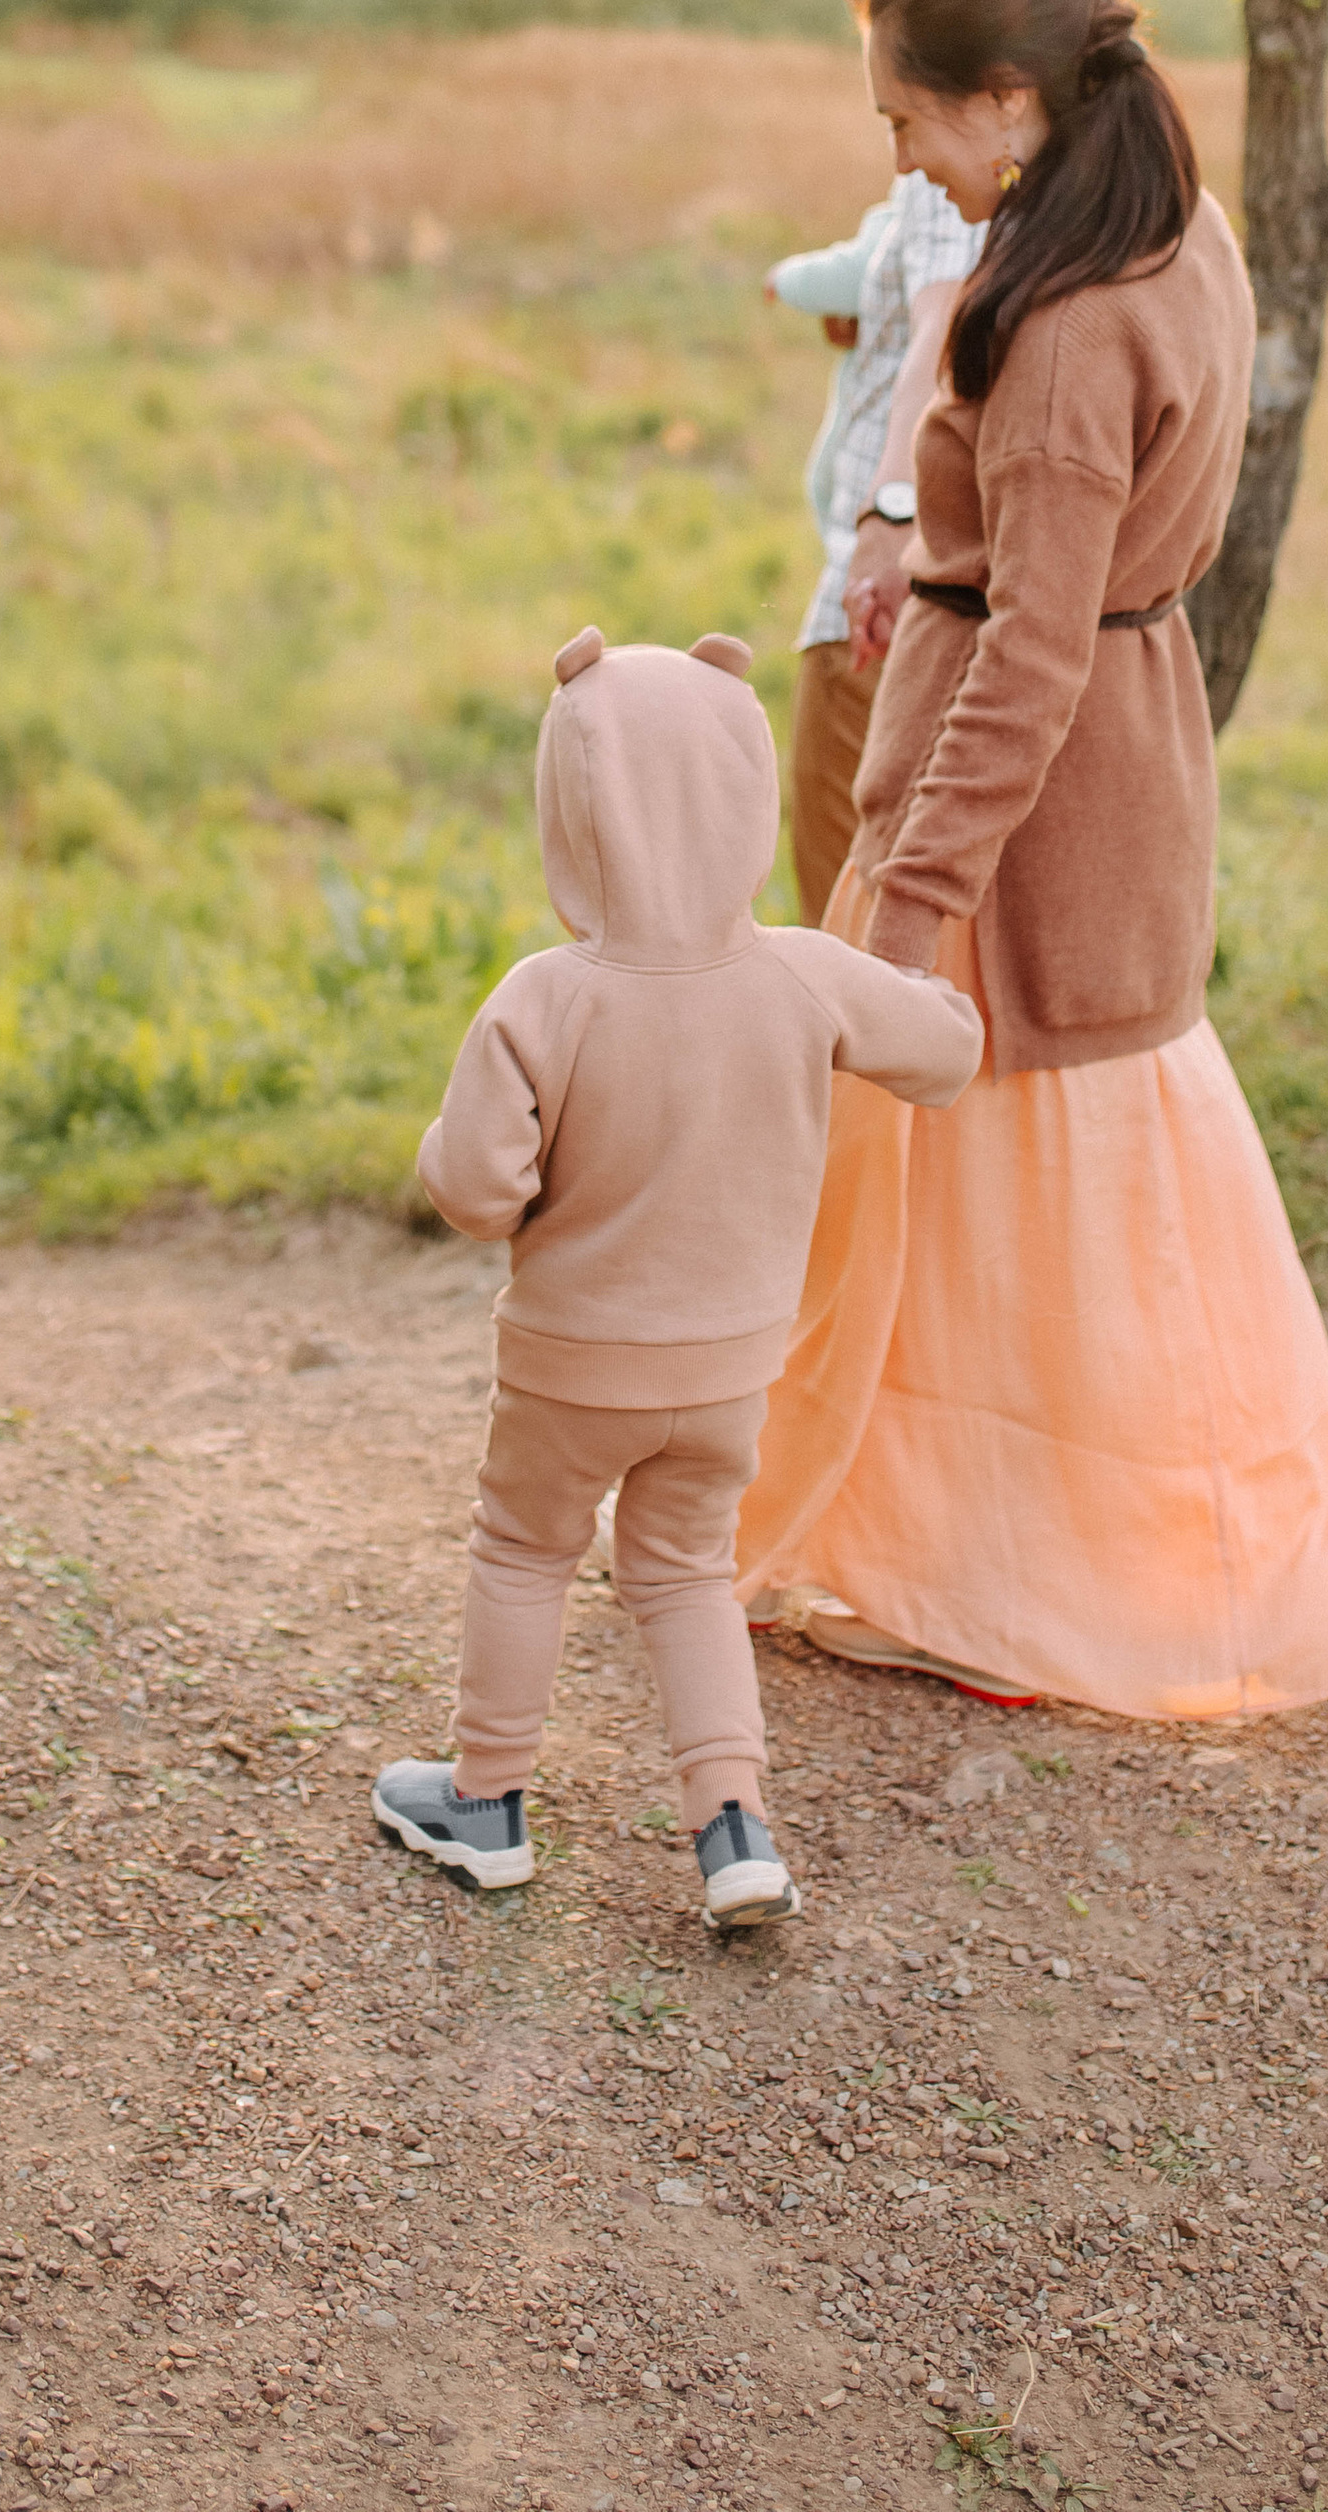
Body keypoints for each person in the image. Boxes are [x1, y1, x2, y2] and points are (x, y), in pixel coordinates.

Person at [737, 0, 1328, 1724]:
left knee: (1009, 1190)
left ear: (1008, 100)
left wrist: (918, 893)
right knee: (1065, 1186)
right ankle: (986, 1554)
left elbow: (1028, 652)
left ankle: (1019, 1578)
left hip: (1028, 802)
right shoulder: (1172, 225)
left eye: (910, 122)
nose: (903, 160)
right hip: (1121, 761)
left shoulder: (1072, 326)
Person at [374, 624, 982, 1933]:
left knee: (526, 1550)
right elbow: (941, 1056)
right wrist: (937, 985)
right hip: (728, 1371)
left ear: (574, 807)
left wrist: (447, 1147)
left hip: (571, 1366)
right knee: (686, 1575)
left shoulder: (543, 1000)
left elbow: (477, 1191)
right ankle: (733, 1828)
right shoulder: (801, 977)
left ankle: (486, 1802)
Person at [768, 0, 1021, 927]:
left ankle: (850, 1099)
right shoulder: (1019, 155)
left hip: (878, 586)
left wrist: (885, 522)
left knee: (842, 887)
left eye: (876, 1)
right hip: (935, 574)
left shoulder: (941, 156)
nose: (869, 40)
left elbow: (936, 335)